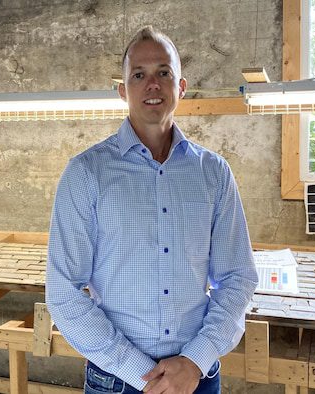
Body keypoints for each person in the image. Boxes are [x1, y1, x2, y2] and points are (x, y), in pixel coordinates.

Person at [46, 26, 258, 394]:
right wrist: (138, 372)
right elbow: (63, 290)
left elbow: (237, 277)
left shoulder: (213, 173)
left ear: (181, 86)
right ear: (123, 90)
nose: (153, 85)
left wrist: (194, 359)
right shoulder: (87, 173)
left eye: (164, 73)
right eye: (139, 75)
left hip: (197, 377)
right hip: (117, 379)